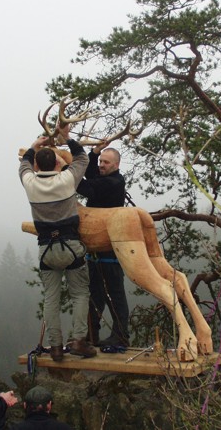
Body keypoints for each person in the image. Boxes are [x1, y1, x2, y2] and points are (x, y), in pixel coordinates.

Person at [19, 123, 96, 362]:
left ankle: (55, 347)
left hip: (46, 250)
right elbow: (82, 159)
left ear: (37, 165)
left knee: (51, 298)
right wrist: (68, 138)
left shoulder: (30, 184)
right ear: (55, 164)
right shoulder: (66, 180)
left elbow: (23, 166)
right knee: (80, 293)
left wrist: (34, 147)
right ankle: (80, 341)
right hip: (71, 246)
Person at [77, 143, 130, 347]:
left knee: (114, 293)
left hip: (110, 248)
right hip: (95, 250)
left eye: (105, 162)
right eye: (100, 161)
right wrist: (93, 153)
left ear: (116, 164)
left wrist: (66, 173)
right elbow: (91, 175)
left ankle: (120, 336)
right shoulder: (104, 177)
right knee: (95, 294)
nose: (101, 165)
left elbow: (87, 187)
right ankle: (92, 334)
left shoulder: (115, 182)